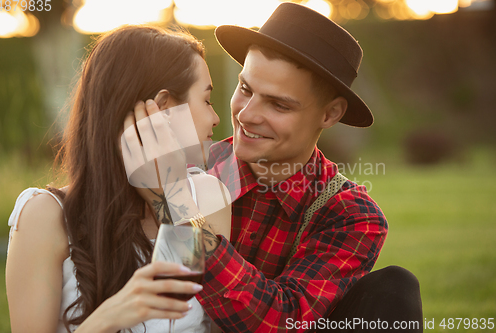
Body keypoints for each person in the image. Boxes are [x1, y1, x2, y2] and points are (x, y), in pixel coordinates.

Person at [129, 3, 423, 332]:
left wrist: (175, 205)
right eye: (245, 90)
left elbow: (283, 323)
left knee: (395, 289)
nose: (247, 114)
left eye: (278, 104)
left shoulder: (351, 215)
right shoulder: (187, 166)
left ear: (330, 114)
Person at [6, 25, 231, 333]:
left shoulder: (208, 198)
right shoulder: (46, 217)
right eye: (206, 100)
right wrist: (106, 319)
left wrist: (170, 193)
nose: (216, 118)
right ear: (163, 109)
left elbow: (180, 310)